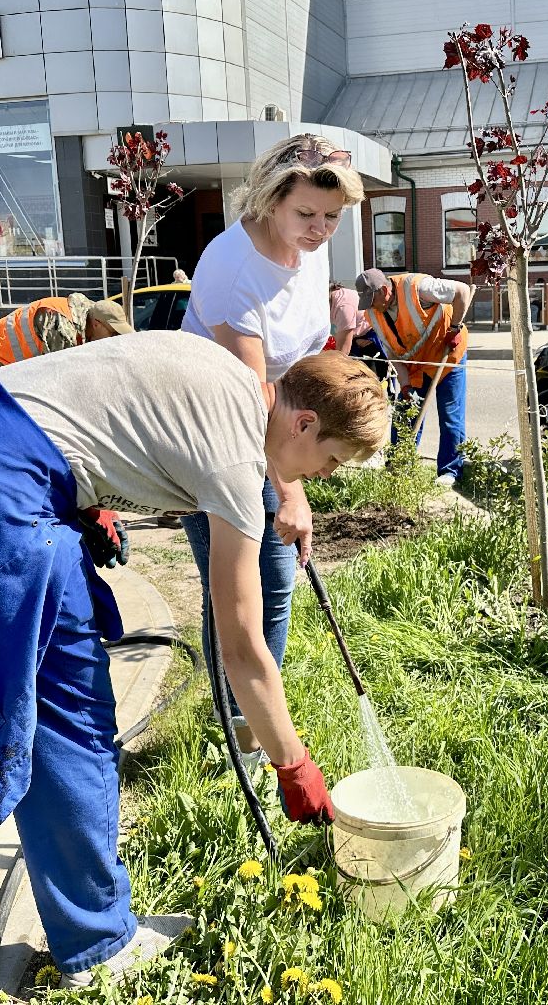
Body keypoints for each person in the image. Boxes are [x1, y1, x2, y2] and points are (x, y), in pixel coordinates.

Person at [0, 335, 387, 988]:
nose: (320, 478)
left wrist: (86, 496)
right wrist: (292, 762)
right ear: (303, 422)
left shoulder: (227, 374)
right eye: (330, 461)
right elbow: (242, 647)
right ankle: (98, 941)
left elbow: (96, 402)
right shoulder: (236, 461)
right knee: (68, 712)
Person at [180, 133, 365, 770]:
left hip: (273, 423)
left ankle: (256, 718)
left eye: (332, 218)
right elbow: (255, 393)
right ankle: (241, 738)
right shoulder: (232, 267)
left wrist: (341, 333)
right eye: (306, 214)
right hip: (213, 431)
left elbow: (304, 363)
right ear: (270, 199)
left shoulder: (306, 253)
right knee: (238, 591)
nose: (319, 230)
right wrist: (292, 493)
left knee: (276, 583)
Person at [349, 267, 472, 483]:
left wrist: (455, 328)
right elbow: (392, 354)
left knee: (450, 414)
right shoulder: (373, 313)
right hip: (417, 364)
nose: (371, 307)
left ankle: (450, 471)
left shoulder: (418, 287)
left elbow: (462, 291)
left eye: (372, 300)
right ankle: (399, 465)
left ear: (384, 291)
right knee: (405, 411)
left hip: (447, 354)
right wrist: (405, 387)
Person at [0, 292, 134, 376]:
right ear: (97, 325)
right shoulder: (62, 327)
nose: (114, 339)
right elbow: (61, 375)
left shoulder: (91, 313)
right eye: (113, 333)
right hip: (2, 352)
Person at [329, 278, 389, 383]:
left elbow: (343, 351)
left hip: (370, 339)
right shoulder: (336, 297)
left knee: (371, 381)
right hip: (358, 337)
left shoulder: (343, 306)